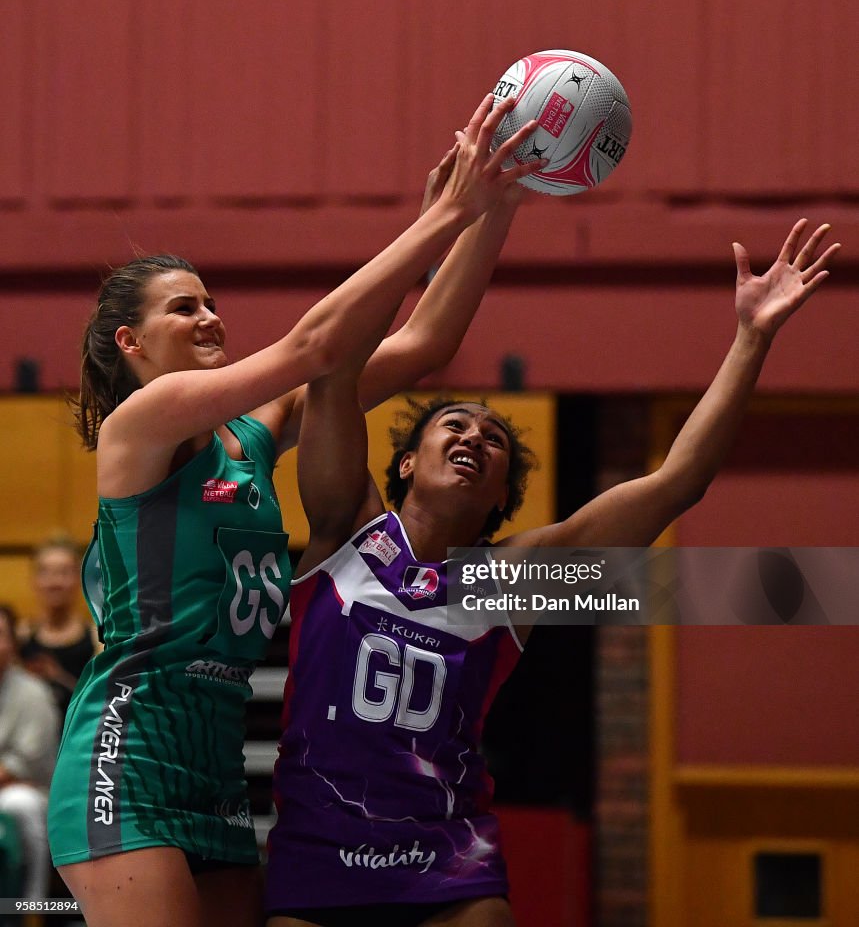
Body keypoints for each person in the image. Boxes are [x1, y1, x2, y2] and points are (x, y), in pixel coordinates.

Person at [46, 95, 547, 927]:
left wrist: (494, 209)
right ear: (130, 344)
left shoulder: (254, 430)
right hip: (128, 749)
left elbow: (422, 346)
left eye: (210, 301)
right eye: (183, 307)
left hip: (213, 761)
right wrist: (443, 215)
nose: (209, 316)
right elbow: (316, 347)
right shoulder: (139, 428)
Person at [265, 219, 840, 926]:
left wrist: (751, 338)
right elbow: (335, 366)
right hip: (319, 848)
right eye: (454, 425)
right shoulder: (347, 530)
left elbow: (676, 485)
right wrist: (435, 224)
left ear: (502, 495)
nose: (474, 435)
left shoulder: (510, 580)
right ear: (407, 461)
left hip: (443, 861)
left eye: (493, 437)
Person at [0, 604, 60, 901]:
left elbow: (19, 766)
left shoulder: (34, 692)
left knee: (18, 803)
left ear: (13, 643)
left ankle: (30, 905)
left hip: (31, 791)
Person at [18, 537, 101, 717]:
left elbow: (100, 706)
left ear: (79, 579)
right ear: (34, 580)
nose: (55, 582)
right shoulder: (19, 638)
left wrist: (58, 677)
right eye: (46, 573)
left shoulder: (98, 640)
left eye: (64, 573)